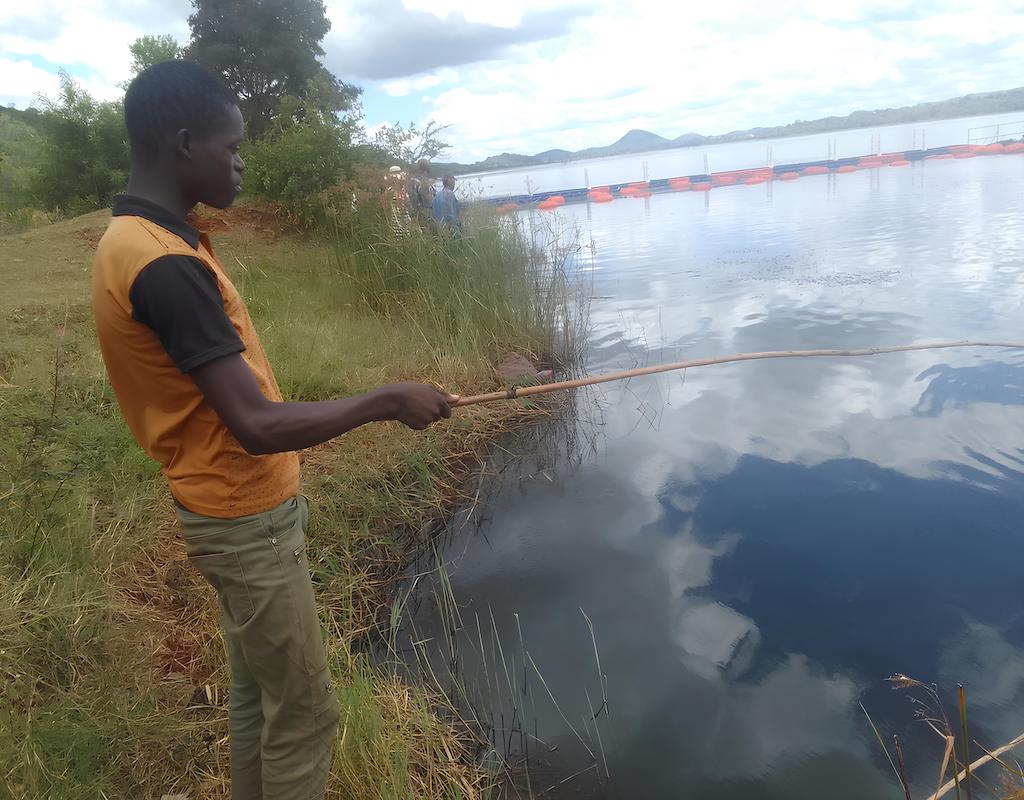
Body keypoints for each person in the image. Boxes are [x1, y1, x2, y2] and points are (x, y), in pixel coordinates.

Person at [91, 60, 456, 800]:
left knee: (260, 697)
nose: (241, 162)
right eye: (232, 147)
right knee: (307, 715)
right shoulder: (162, 264)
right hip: (243, 519)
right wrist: (385, 400)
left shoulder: (143, 239)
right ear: (184, 142)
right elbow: (254, 424)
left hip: (222, 510)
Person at [407, 158, 435, 223]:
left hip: (415, 214)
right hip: (424, 215)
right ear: (426, 170)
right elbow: (428, 199)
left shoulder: (412, 181)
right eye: (427, 171)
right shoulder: (421, 183)